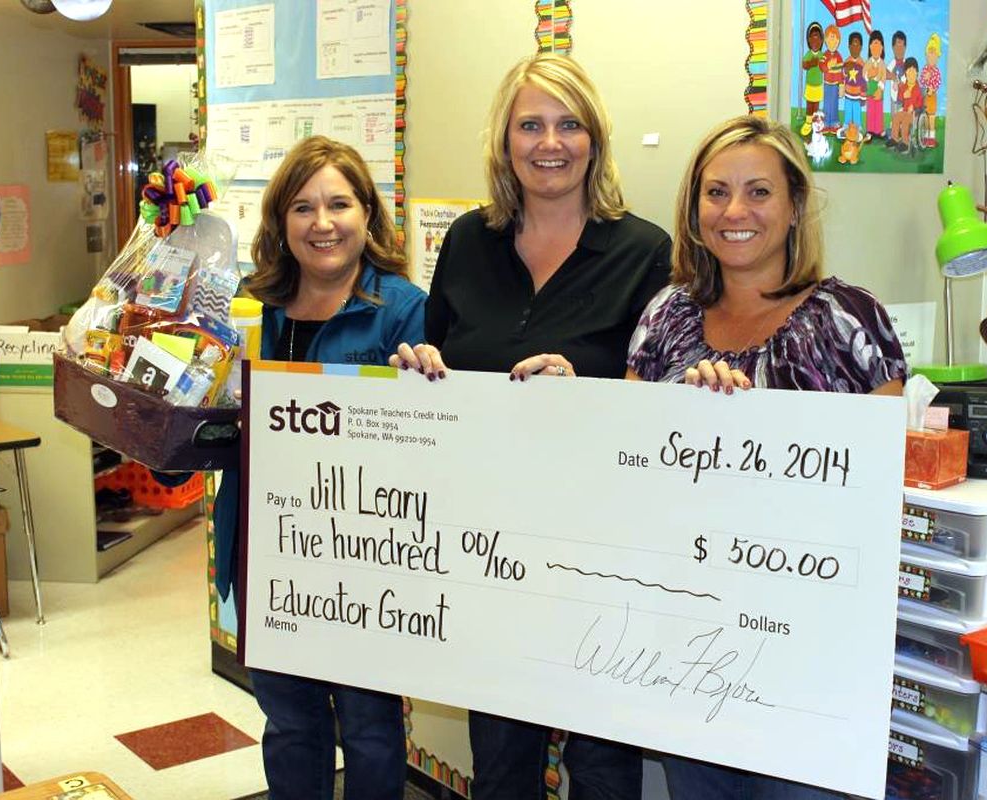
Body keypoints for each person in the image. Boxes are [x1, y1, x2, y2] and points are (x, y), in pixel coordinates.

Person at [391, 53, 671, 799]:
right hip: (492, 545)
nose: (551, 142)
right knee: (503, 753)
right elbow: (447, 362)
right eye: (532, 125)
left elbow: (662, 402)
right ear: (505, 141)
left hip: (601, 547)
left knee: (603, 760)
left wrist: (584, 392)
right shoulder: (466, 244)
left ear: (594, 139)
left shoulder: (645, 253)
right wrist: (424, 372)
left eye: (569, 124)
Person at [627, 114, 905, 798]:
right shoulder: (665, 316)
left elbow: (880, 492)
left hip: (811, 655)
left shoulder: (849, 319)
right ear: (694, 212)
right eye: (716, 193)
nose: (735, 211)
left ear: (794, 207)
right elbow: (626, 470)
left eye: (758, 192)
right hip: (687, 646)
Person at [214, 135, 425, 800]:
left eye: (339, 204)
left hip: (364, 557)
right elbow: (212, 418)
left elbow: (425, 439)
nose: (322, 223)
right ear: (280, 221)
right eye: (302, 208)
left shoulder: (401, 308)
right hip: (269, 549)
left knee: (368, 726)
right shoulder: (251, 306)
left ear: (368, 214)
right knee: (289, 721)